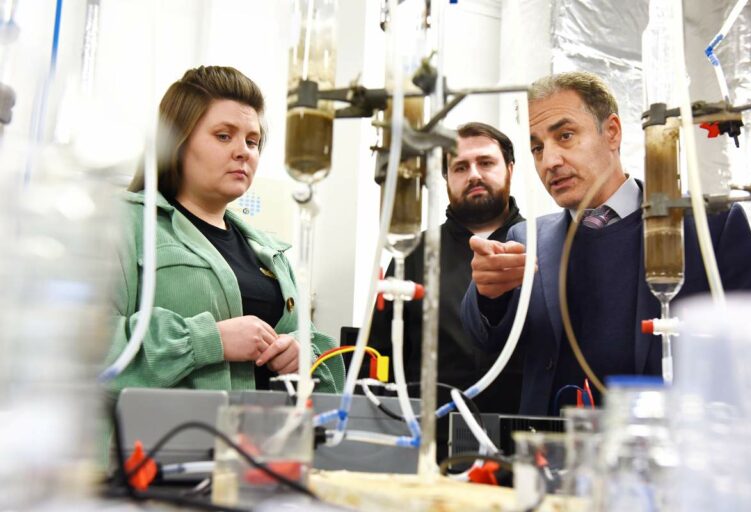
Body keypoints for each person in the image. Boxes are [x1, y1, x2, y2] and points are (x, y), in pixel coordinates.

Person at [461, 71, 751, 416]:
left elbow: (743, 361)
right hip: (554, 453)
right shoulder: (526, 239)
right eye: (538, 148)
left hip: (667, 453)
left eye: (566, 135)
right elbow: (487, 342)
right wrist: (488, 296)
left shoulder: (709, 227)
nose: (550, 161)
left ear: (612, 132)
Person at [107, 66, 344, 393]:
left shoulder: (270, 253)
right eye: (223, 135)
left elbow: (313, 345)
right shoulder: (126, 225)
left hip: (260, 439)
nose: (243, 152)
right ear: (177, 141)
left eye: (252, 141)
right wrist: (210, 340)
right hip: (159, 441)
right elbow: (86, 350)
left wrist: (303, 356)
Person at [370, 122, 525, 460]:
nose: (473, 174)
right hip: (428, 446)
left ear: (509, 169)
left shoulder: (541, 247)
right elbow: (378, 360)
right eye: (460, 167)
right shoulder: (411, 255)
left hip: (521, 448)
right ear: (446, 178)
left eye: (486, 163)